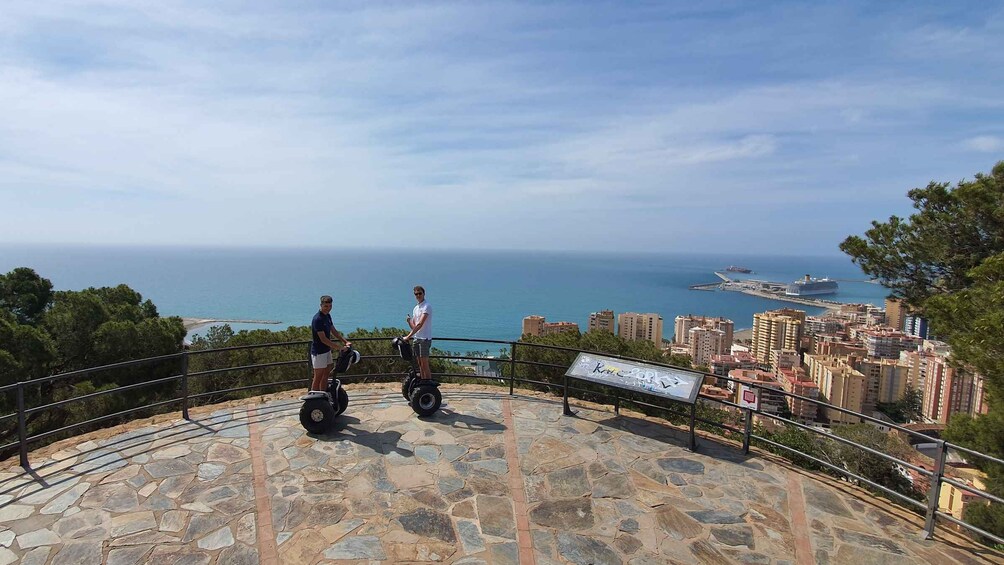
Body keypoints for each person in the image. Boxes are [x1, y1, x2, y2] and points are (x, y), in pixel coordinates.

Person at [310, 295, 351, 394]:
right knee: (318, 376)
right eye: (326, 306)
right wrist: (340, 348)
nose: (328, 309)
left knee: (327, 372)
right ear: (321, 305)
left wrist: (345, 341)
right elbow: (323, 339)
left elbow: (334, 331)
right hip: (319, 352)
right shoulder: (317, 319)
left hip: (326, 350)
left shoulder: (327, 316)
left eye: (330, 306)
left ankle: (323, 394)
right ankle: (314, 398)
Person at [404, 285, 432, 381]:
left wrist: (408, 336)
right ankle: (423, 382)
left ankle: (428, 385)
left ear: (424, 294)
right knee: (420, 363)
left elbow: (420, 324)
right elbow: (415, 326)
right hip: (417, 338)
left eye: (420, 293)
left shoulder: (427, 306)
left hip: (424, 339)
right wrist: (409, 321)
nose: (418, 295)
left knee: (424, 363)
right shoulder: (416, 308)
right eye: (416, 294)